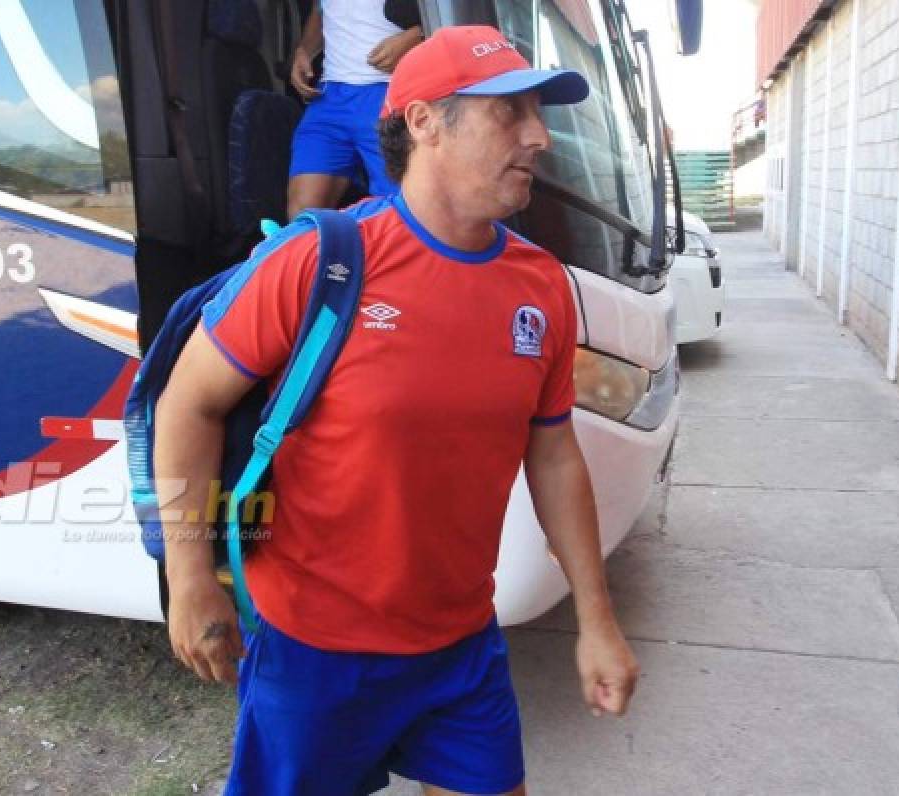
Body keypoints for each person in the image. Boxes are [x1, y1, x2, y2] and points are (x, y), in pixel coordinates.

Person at [154, 25, 640, 796]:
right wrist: (188, 576)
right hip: (312, 654)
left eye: (537, 114)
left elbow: (553, 455)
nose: (540, 137)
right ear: (424, 122)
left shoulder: (542, 287)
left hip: (460, 652)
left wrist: (597, 618)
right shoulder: (321, 261)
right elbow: (188, 405)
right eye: (509, 112)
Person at [286, 0, 422, 219]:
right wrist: (304, 50)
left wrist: (415, 36)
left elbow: (456, 10)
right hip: (329, 97)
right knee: (303, 214)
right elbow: (320, 9)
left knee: (401, 210)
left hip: (391, 91)